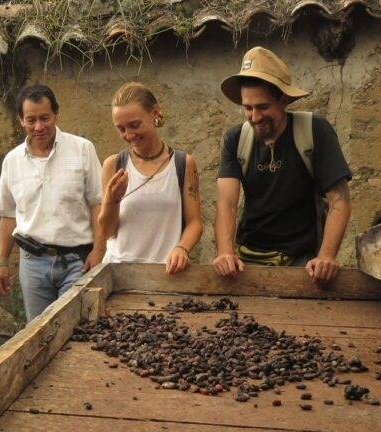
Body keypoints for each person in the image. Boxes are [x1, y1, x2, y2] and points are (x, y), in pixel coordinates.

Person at [213, 47, 352, 284]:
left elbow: (340, 199)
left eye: (263, 107)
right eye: (248, 108)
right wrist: (225, 252)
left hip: (303, 260)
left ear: (284, 99)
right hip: (250, 257)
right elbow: (227, 202)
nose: (255, 116)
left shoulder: (315, 131)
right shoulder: (235, 140)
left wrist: (326, 256)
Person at [0, 84, 104, 322]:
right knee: (38, 334)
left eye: (45, 118)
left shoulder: (82, 150)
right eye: (31, 120)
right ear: (21, 120)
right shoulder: (12, 161)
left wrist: (98, 250)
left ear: (56, 114)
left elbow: (98, 203)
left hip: (77, 261)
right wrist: (2, 262)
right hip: (32, 264)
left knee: (75, 329)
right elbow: (7, 214)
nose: (39, 127)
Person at [99, 82, 203, 273]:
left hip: (165, 273)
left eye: (134, 125)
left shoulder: (183, 164)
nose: (129, 135)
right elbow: (107, 231)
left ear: (155, 113)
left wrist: (182, 248)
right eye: (121, 129)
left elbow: (195, 223)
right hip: (119, 272)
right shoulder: (114, 165)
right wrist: (112, 200)